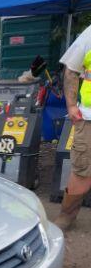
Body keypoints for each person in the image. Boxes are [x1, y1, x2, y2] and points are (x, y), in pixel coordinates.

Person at [57, 26, 91, 230]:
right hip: (89, 119)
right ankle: (66, 216)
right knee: (82, 168)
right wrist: (71, 105)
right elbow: (71, 70)